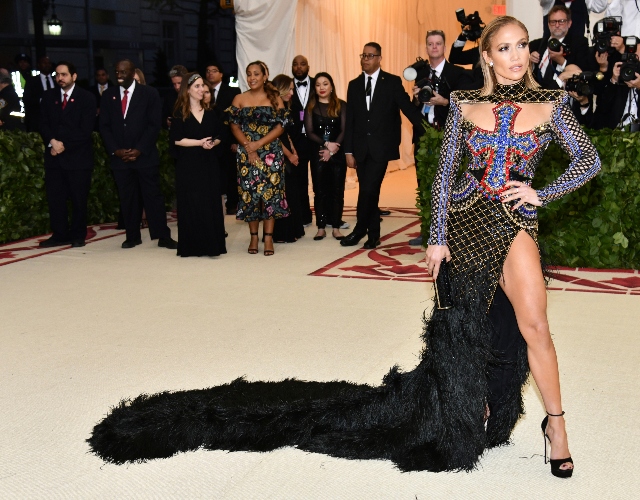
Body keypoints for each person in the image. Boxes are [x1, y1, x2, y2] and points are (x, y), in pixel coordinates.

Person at [89, 17, 601, 478]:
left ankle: (555, 425)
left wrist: (542, 191)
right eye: (504, 48)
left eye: (521, 47)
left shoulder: (551, 104)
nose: (515, 57)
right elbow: (444, 179)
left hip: (514, 222)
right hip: (465, 224)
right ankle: (472, 408)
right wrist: (438, 237)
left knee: (534, 326)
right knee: (465, 329)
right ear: (487, 56)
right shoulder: (466, 107)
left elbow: (588, 162)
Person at [340, 42, 423, 249]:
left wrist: (427, 128)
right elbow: (350, 120)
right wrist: (348, 150)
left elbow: (407, 109)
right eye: (363, 55)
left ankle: (365, 231)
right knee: (367, 191)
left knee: (369, 189)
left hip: (381, 147)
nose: (365, 59)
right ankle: (368, 232)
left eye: (370, 56)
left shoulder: (392, 82)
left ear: (379, 58)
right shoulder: (354, 85)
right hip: (360, 147)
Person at [99, 59, 177, 250]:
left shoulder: (149, 93)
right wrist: (116, 150)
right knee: (127, 197)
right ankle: (132, 236)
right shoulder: (109, 95)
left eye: (123, 72)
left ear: (133, 73)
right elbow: (104, 126)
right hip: (120, 158)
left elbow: (154, 124)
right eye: (116, 72)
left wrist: (139, 149)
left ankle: (162, 236)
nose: (119, 76)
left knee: (153, 197)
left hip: (145, 156)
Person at [227, 61, 288, 256]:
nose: (252, 78)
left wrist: (258, 145)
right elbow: (234, 126)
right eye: (249, 74)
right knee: (250, 196)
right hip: (247, 154)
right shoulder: (239, 98)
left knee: (270, 195)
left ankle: (268, 238)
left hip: (271, 153)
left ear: (265, 75)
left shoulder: (276, 98)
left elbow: (281, 127)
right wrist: (248, 147)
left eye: (256, 74)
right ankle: (254, 236)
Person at [38, 61, 97, 248]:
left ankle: (78, 235)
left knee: (79, 199)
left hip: (78, 158)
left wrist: (63, 145)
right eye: (57, 75)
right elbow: (43, 123)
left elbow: (86, 129)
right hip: (54, 158)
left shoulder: (87, 98)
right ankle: (59, 234)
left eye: (63, 75)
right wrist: (52, 142)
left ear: (74, 76)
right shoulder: (48, 97)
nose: (59, 78)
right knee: (56, 199)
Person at [169, 73, 226, 257]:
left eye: (203, 86)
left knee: (210, 203)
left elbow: (219, 136)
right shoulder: (179, 113)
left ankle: (212, 246)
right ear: (188, 90)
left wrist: (212, 143)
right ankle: (192, 246)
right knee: (191, 203)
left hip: (209, 163)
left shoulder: (210, 112)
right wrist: (199, 142)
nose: (202, 90)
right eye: (197, 86)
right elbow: (177, 140)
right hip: (188, 164)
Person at [304, 72, 347, 241]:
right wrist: (326, 145)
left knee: (338, 191)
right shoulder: (311, 106)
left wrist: (333, 148)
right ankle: (320, 227)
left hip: (338, 153)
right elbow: (309, 132)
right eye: (318, 84)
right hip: (318, 154)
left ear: (331, 86)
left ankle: (336, 227)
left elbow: (344, 130)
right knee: (319, 191)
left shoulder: (342, 105)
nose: (321, 88)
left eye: (325, 84)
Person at [271, 74, 306, 243]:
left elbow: (287, 134)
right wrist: (289, 154)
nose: (292, 92)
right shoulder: (272, 108)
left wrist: (294, 150)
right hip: (277, 153)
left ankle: (293, 230)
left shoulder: (286, 107)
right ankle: (281, 233)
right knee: (282, 194)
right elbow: (274, 137)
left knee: (292, 192)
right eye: (290, 88)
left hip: (287, 150)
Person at [204, 61, 241, 215]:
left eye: (214, 70)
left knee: (231, 173)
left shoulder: (232, 91)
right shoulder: (202, 91)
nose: (210, 73)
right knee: (212, 174)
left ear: (221, 74)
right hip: (208, 140)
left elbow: (236, 118)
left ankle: (232, 204)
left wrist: (235, 141)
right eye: (208, 71)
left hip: (228, 139)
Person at [530, 6, 592, 89]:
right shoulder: (535, 45)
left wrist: (562, 61)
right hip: (539, 96)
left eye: (561, 21)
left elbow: (583, 73)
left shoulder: (579, 44)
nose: (557, 25)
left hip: (566, 97)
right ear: (548, 24)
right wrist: (530, 62)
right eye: (553, 22)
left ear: (569, 23)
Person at [290, 55, 315, 226]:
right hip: (295, 140)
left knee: (321, 180)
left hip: (315, 139)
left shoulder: (318, 84)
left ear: (308, 66)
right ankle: (303, 216)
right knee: (299, 181)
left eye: (302, 64)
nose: (299, 67)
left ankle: (326, 217)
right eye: (295, 64)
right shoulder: (286, 87)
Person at [23, 55, 55, 133]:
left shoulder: (57, 81)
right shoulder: (32, 81)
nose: (47, 65)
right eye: (44, 63)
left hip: (55, 120)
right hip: (38, 119)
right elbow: (26, 99)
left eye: (49, 63)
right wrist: (41, 100)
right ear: (39, 65)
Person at [162, 65, 187, 130]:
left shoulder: (195, 95)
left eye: (179, 83)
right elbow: (163, 117)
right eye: (174, 84)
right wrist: (167, 122)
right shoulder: (169, 97)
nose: (177, 87)